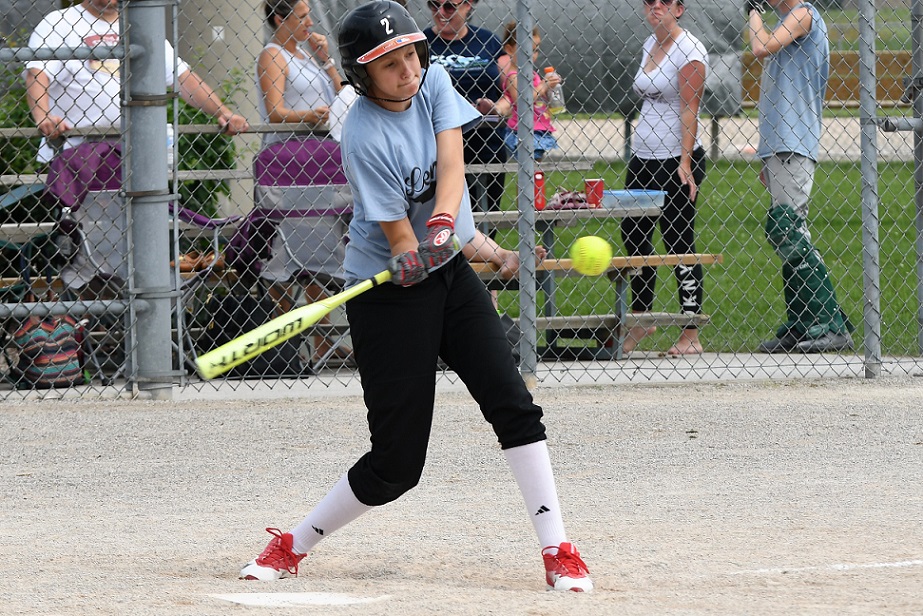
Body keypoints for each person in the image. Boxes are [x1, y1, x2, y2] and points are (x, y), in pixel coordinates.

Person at [239, 1, 592, 592]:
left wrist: (470, 242)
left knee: (511, 401)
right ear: (361, 75)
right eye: (388, 64)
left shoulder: (433, 85)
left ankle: (558, 547)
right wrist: (415, 250)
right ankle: (291, 545)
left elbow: (451, 167)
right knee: (397, 465)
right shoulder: (362, 136)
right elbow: (401, 243)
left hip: (449, 272)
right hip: (387, 297)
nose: (407, 70)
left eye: (410, 55)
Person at [24, 0, 249, 296]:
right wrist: (43, 117)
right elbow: (37, 74)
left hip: (135, 158)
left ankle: (141, 309)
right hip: (81, 162)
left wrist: (222, 111)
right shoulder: (60, 23)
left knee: (142, 241)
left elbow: (182, 78)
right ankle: (103, 312)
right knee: (97, 252)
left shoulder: (139, 24)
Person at [748, 0, 853, 353]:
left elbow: (760, 46)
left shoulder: (803, 13)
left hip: (794, 140)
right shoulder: (786, 20)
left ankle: (829, 323)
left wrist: (752, 10)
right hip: (780, 142)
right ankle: (804, 320)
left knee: (790, 229)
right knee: (787, 232)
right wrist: (766, 153)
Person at [255, 0, 353, 365]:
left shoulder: (308, 55)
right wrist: (308, 116)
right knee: (287, 250)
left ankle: (324, 339)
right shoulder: (273, 55)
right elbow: (276, 110)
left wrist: (327, 61)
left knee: (319, 249)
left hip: (320, 164)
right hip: (288, 167)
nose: (310, 21)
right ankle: (288, 340)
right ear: (280, 18)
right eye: (302, 16)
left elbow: (343, 96)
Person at [619, 0, 708, 356]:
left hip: (676, 159)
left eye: (664, 2)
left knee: (678, 240)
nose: (656, 7)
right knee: (633, 232)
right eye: (650, 2)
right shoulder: (650, 44)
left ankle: (691, 332)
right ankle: (641, 317)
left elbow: (690, 109)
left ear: (679, 9)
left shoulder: (690, 50)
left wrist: (685, 163)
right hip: (643, 156)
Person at [423, 0, 507, 226]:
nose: (440, 12)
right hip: (436, 146)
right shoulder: (421, 44)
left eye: (449, 6)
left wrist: (496, 108)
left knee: (486, 219)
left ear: (468, 5)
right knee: (445, 218)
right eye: (433, 4)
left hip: (487, 142)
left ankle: (483, 258)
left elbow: (511, 92)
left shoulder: (488, 41)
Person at [497, 21, 561, 161]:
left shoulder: (532, 74)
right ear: (509, 50)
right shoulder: (513, 77)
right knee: (528, 170)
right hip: (522, 131)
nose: (532, 55)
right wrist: (543, 86)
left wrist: (550, 88)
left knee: (535, 170)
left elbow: (538, 96)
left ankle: (535, 184)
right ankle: (529, 184)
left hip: (538, 127)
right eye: (526, 50)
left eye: (535, 50)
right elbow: (522, 100)